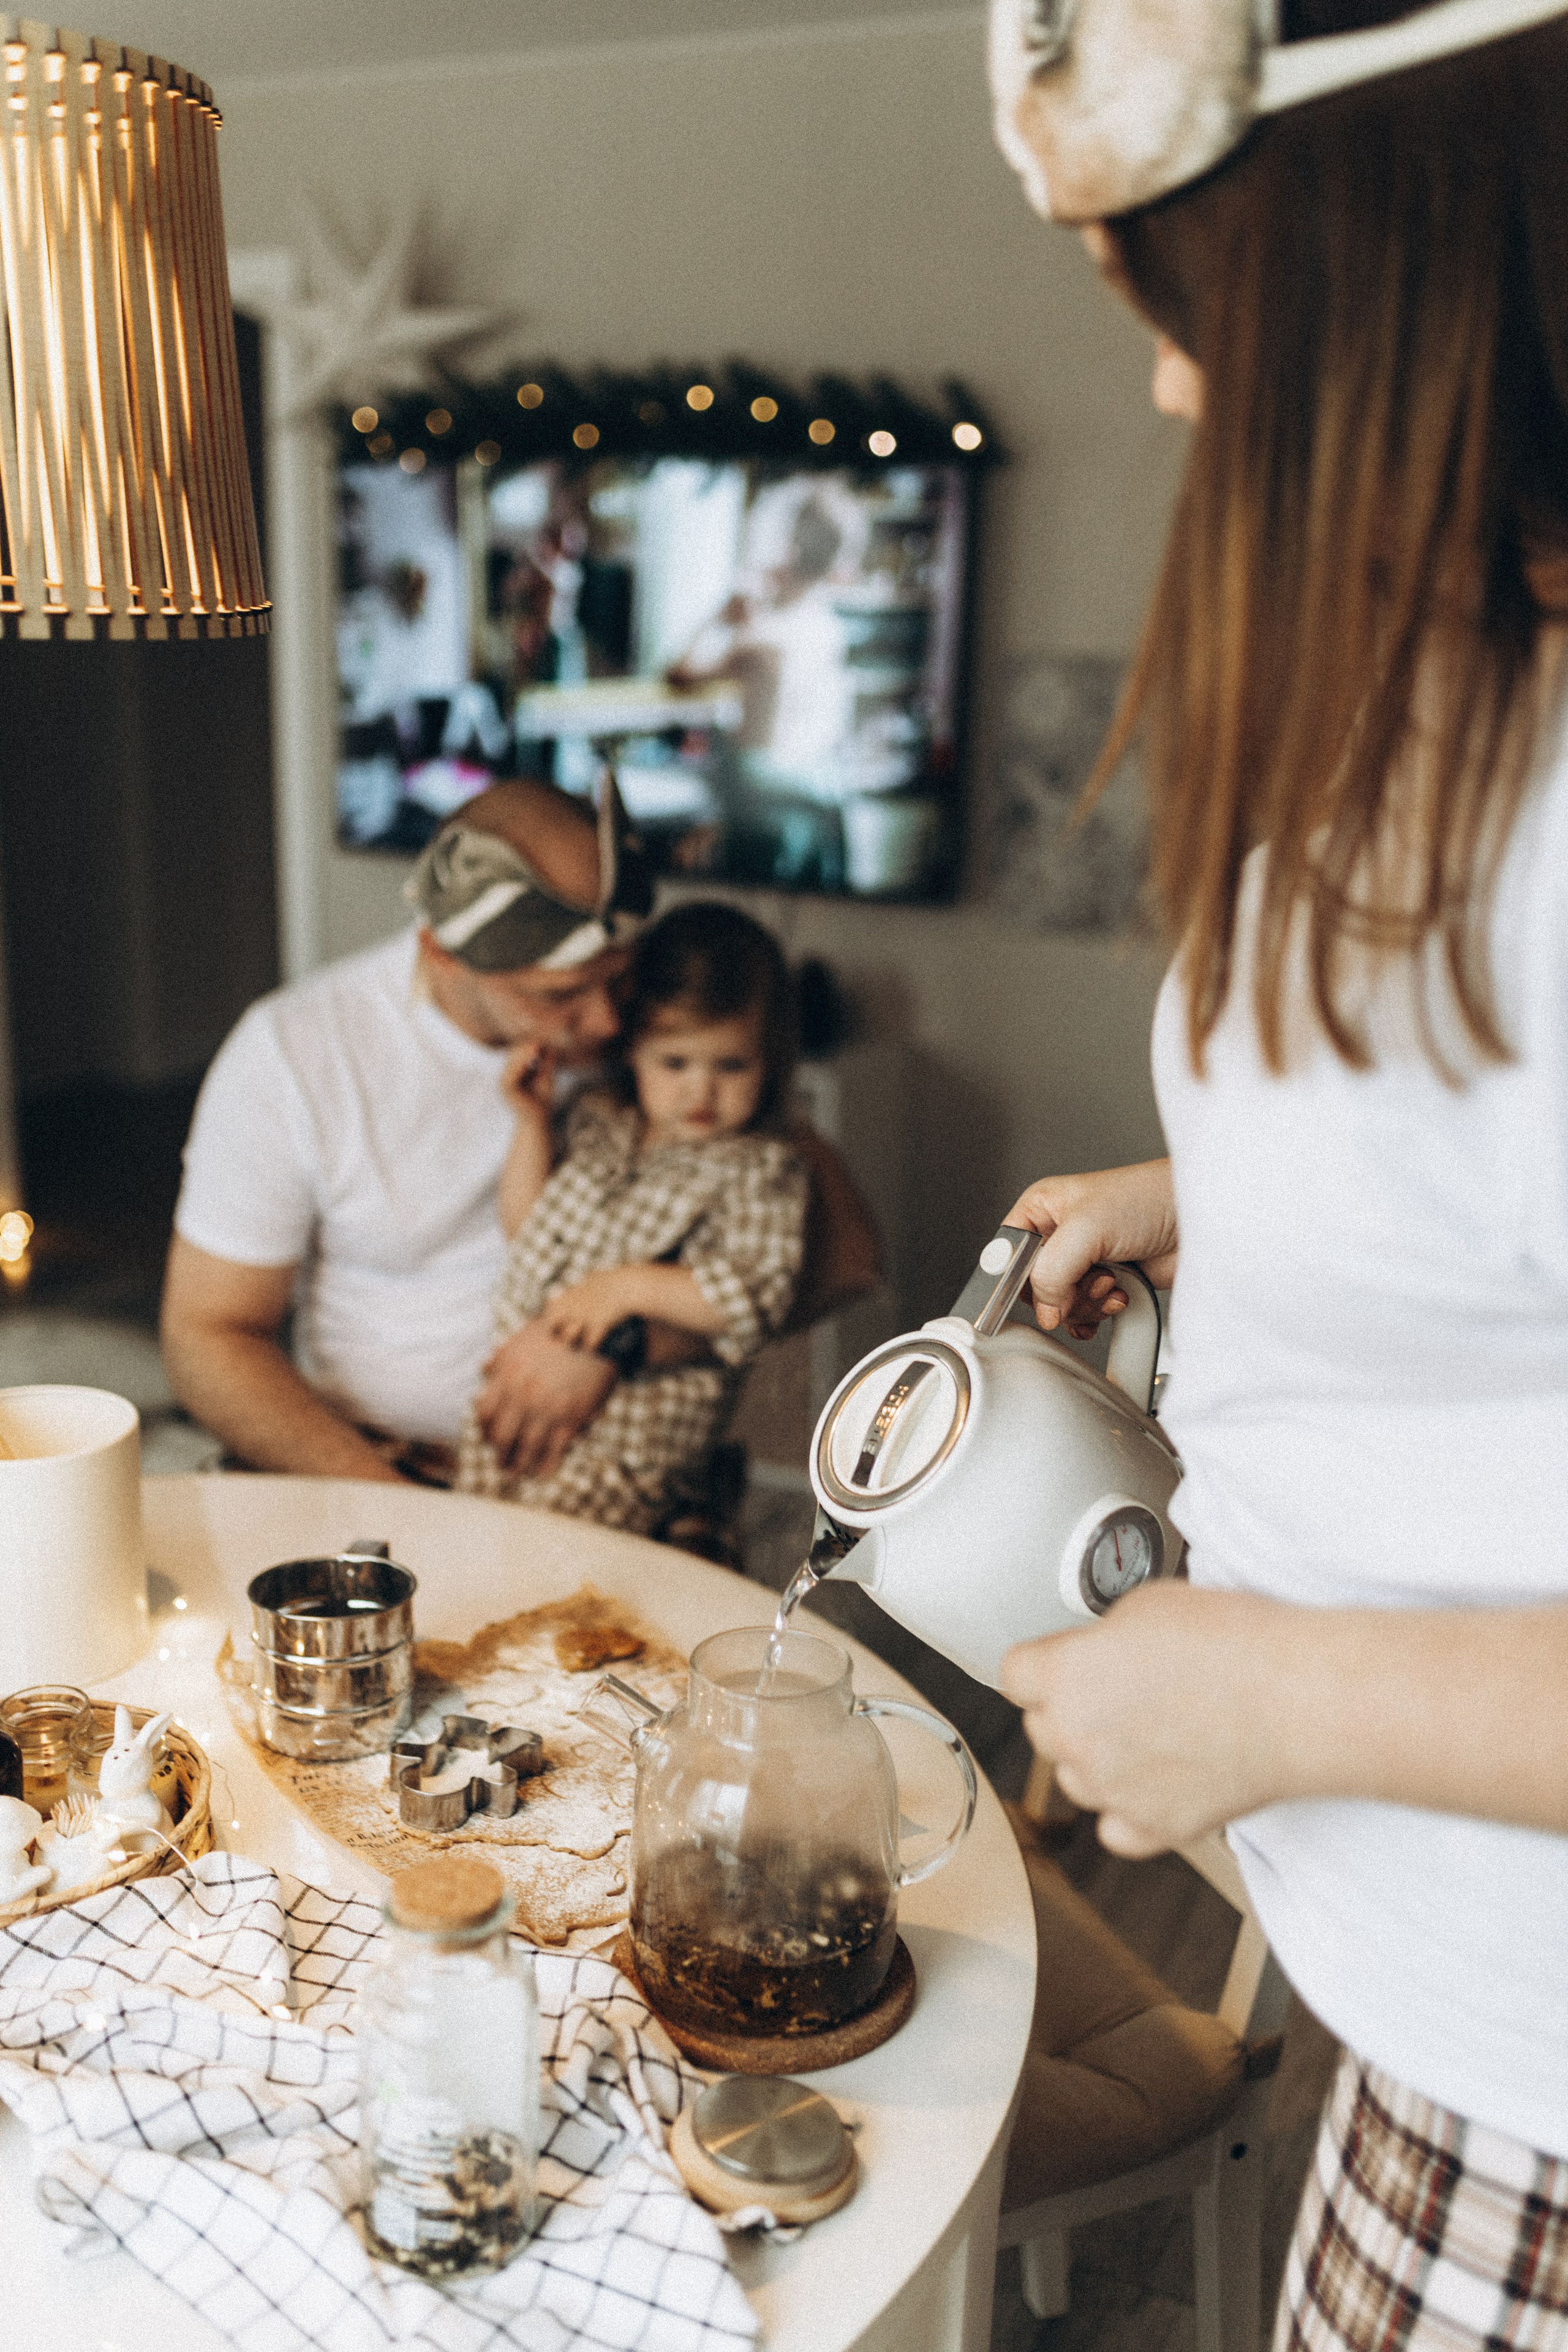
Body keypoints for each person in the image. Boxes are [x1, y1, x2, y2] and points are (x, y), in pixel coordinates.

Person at [986, 0, 1568, 2344]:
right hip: (1429, 1991)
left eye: (1186, 321)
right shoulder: (1466, 682)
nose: (1161, 389)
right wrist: (1203, 1181)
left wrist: (1275, 1707)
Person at [161, 778, 878, 1486]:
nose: (604, 1022)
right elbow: (207, 1335)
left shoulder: (666, 1045)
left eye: (618, 979)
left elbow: (846, 1259)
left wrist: (619, 1343)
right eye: (559, 995)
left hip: (622, 1467)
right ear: (443, 956)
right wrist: (401, 1505)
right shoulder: (298, 1051)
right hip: (382, 1459)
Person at [458, 902, 809, 1534]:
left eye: (731, 1065)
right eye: (674, 1063)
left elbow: (754, 1297)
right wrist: (531, 1124)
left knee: (571, 1582)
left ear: (769, 1059)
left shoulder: (760, 1168)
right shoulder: (599, 1121)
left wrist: (625, 1288)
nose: (700, 1092)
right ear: (634, 1050)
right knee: (481, 1557)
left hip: (630, 1447)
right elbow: (529, 1229)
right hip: (511, 1412)